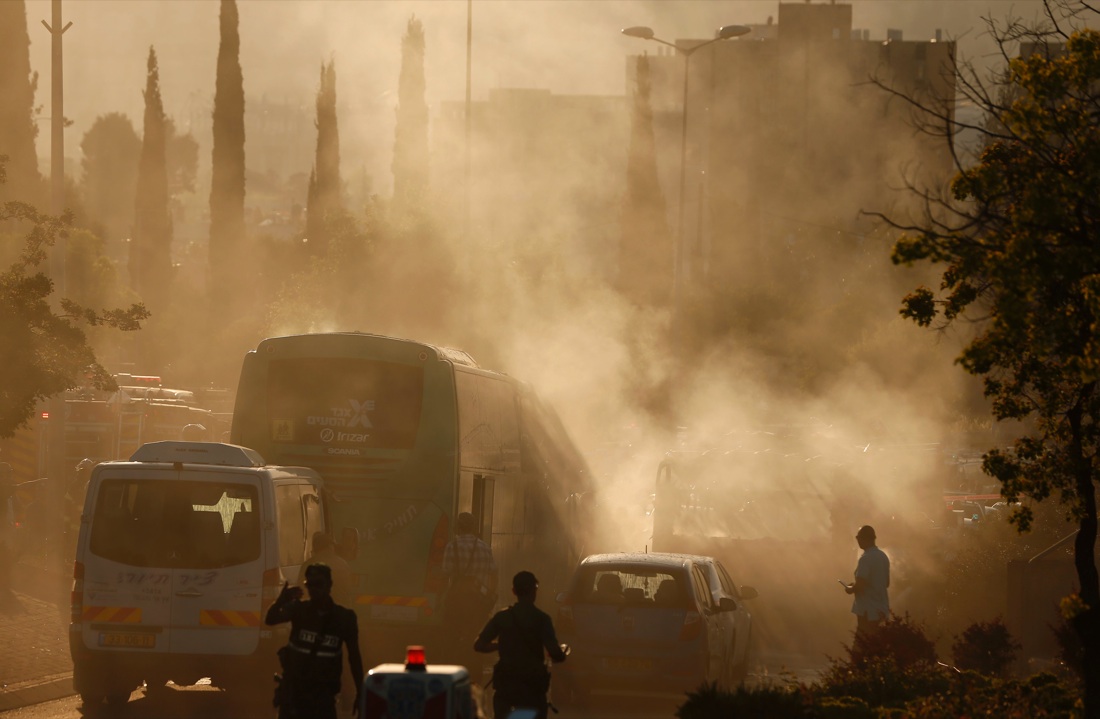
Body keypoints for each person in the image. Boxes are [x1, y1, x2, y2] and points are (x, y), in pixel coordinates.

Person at [265, 563, 364, 719]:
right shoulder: (299, 610)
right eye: (309, 585)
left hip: (323, 699)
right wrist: (281, 600)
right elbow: (270, 620)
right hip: (295, 698)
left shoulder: (344, 618)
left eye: (318, 584)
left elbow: (354, 657)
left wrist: (360, 692)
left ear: (329, 585)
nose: (313, 589)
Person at [474, 570, 568, 719]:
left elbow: (479, 645)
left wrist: (501, 645)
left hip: (506, 687)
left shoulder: (502, 617)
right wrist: (563, 653)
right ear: (534, 591)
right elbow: (555, 653)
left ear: (514, 591)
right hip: (533, 689)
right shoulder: (542, 620)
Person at [442, 512, 498, 669]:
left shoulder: (451, 547)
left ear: (457, 528)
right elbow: (494, 574)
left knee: (452, 638)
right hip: (477, 603)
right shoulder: (485, 548)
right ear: (474, 528)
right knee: (475, 636)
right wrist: (489, 598)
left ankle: (453, 668)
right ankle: (474, 671)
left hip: (456, 601)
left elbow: (445, 574)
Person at [843, 524, 890, 635]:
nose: (857, 540)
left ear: (865, 539)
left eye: (858, 538)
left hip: (867, 612)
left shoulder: (865, 559)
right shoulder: (883, 556)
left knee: (863, 645)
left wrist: (850, 588)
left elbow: (860, 585)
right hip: (881, 610)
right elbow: (886, 583)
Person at [298, 532, 355, 607]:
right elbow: (348, 590)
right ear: (330, 547)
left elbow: (301, 591)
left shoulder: (307, 565)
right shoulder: (342, 564)